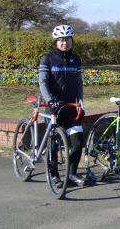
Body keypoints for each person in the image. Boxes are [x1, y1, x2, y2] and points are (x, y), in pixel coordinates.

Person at [38, 25, 86, 187]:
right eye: (61, 40)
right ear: (56, 41)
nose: (64, 42)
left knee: (78, 142)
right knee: (54, 143)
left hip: (71, 107)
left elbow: (79, 83)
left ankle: (71, 174)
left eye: (67, 39)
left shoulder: (76, 59)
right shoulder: (48, 59)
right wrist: (50, 100)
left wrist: (80, 101)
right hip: (54, 107)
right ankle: (54, 176)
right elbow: (43, 82)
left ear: (72, 40)